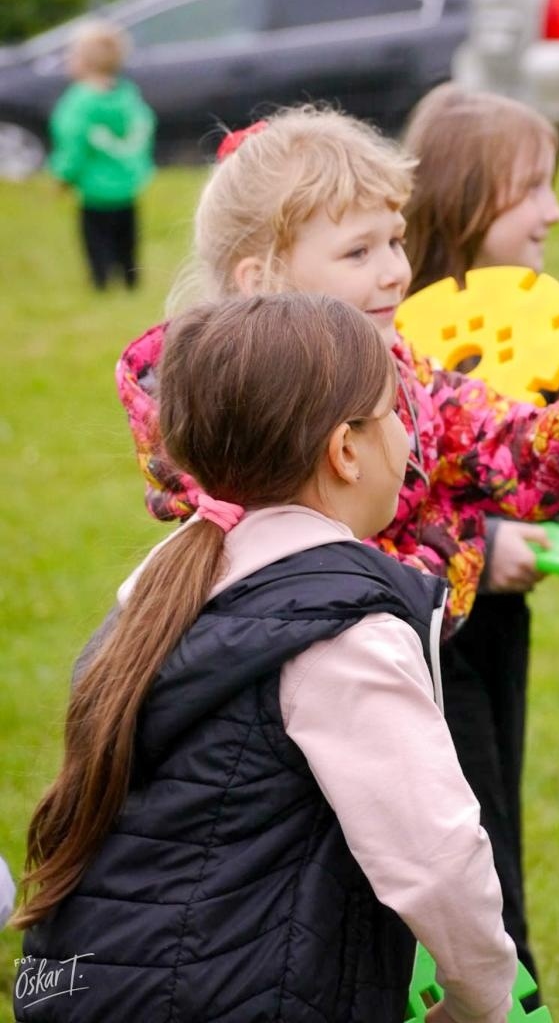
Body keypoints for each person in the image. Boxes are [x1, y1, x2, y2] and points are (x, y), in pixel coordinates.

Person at [12, 293, 517, 1023]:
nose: (408, 439)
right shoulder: (341, 628)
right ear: (345, 450)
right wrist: (482, 1003)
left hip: (94, 988)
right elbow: (438, 862)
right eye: (395, 415)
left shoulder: (163, 583)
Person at [117, 106, 559, 649]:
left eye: (395, 241)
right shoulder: (223, 414)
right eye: (359, 251)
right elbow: (293, 571)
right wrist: (426, 574)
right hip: (300, 676)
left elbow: (500, 446)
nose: (396, 270)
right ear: (264, 281)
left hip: (399, 653)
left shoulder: (405, 372)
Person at [403, 82, 559, 996]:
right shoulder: (401, 334)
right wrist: (481, 537)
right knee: (467, 850)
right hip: (421, 640)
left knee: (499, 821)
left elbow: (513, 455)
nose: (557, 208)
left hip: (493, 630)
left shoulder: (518, 323)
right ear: (465, 195)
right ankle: (500, 995)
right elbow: (403, 477)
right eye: (533, 186)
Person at [48, 19, 155, 290]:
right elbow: (144, 127)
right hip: (128, 186)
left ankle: (101, 282)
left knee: (96, 239)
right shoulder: (126, 95)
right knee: (127, 237)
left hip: (94, 191)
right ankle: (131, 280)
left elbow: (72, 143)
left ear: (83, 63)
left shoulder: (79, 102)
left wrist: (63, 175)